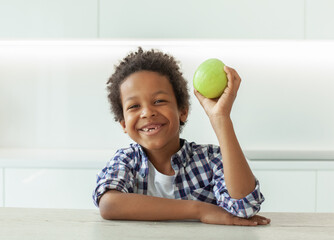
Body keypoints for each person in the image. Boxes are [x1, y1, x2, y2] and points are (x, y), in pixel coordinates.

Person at [92, 47, 270, 226]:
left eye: (159, 101)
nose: (147, 112)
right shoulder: (126, 160)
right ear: (123, 123)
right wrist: (200, 210)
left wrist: (220, 118)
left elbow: (244, 207)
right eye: (134, 106)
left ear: (183, 111)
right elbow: (109, 205)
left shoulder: (210, 160)